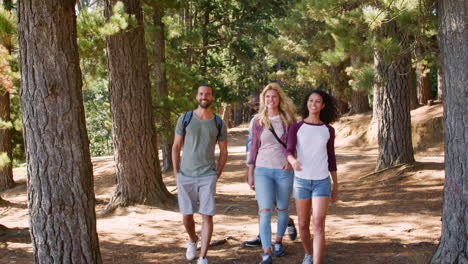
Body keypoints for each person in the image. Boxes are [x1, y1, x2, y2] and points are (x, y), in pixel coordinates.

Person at [171, 84, 228, 264]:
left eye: (208, 94)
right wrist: (176, 172)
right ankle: (193, 240)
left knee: (206, 215)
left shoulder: (218, 122)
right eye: (202, 94)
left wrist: (216, 174)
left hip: (207, 176)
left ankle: (203, 256)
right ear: (197, 96)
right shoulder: (185, 118)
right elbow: (176, 146)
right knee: (187, 216)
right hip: (185, 175)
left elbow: (224, 152)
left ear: (212, 97)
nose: (205, 97)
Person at [285, 90, 339, 264]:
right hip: (301, 181)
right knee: (302, 224)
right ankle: (308, 253)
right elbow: (289, 150)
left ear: (323, 105)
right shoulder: (297, 127)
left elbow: (331, 157)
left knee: (318, 223)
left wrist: (335, 183)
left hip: (322, 181)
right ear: (307, 103)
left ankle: (316, 261)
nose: (313, 104)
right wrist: (293, 161)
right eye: (310, 101)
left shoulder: (328, 130)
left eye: (317, 101)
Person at [247, 83, 296, 264]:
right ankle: (266, 252)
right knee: (265, 210)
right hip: (262, 170)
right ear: (263, 99)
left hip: (283, 170)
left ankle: (278, 242)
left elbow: (294, 144)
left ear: (279, 99)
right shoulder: (258, 121)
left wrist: (291, 162)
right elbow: (253, 147)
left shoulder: (289, 120)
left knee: (282, 208)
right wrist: (250, 171)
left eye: (274, 97)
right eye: (267, 97)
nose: (270, 100)